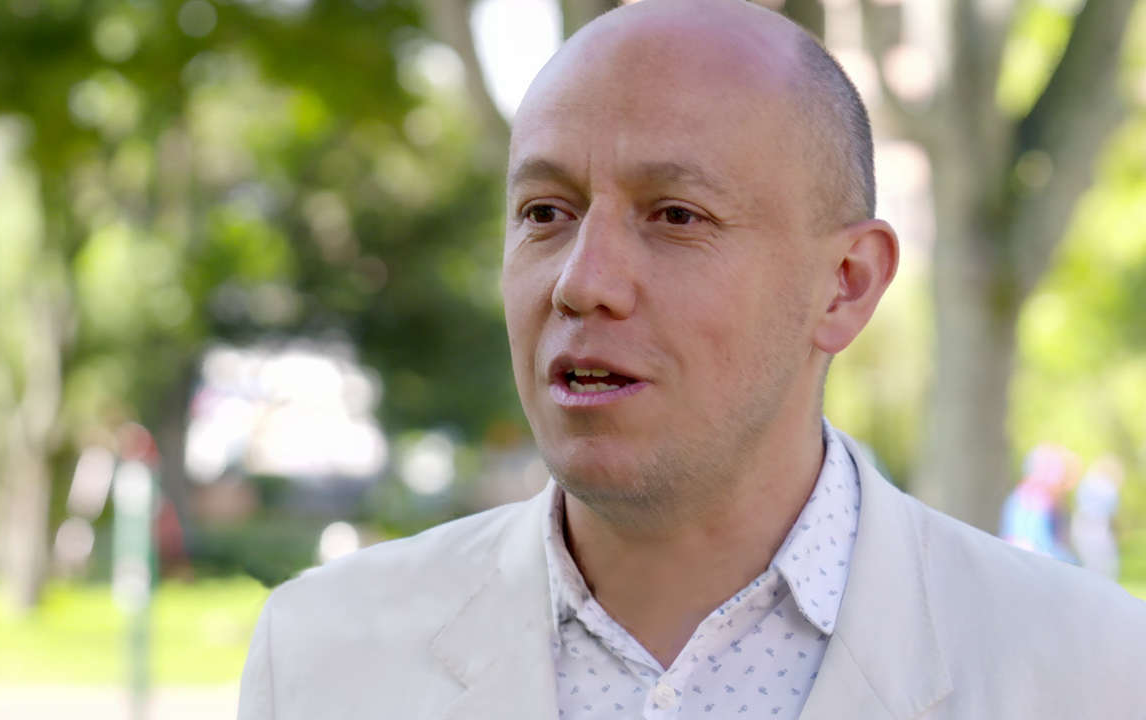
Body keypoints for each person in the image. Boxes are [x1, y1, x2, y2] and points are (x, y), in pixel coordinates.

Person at [239, 1, 1146, 717]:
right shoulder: (321, 659)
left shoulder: (1093, 674)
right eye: (546, 213)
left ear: (845, 285)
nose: (583, 282)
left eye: (677, 216)